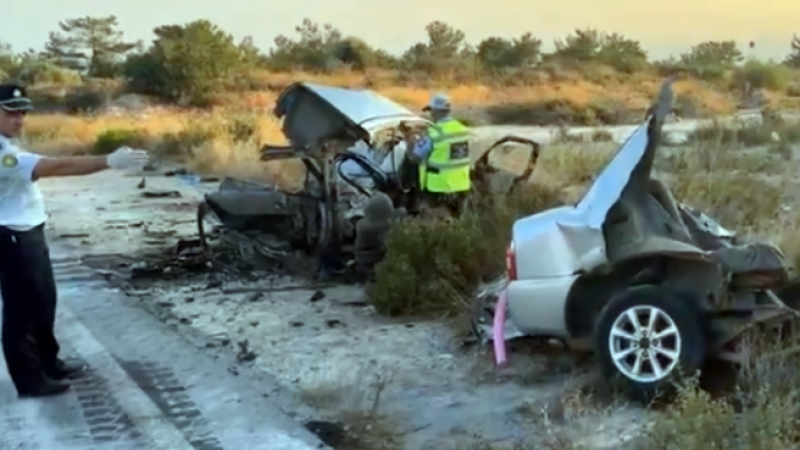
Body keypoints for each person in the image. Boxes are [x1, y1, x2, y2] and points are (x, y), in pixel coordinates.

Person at [0, 84, 149, 398]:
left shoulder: (8, 144)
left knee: (43, 300)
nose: (19, 119)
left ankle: (48, 362)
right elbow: (56, 166)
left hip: (27, 230)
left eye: (22, 112)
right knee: (22, 309)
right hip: (11, 235)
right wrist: (108, 161)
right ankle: (30, 380)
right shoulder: (3, 154)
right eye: (10, 112)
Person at [400, 93, 471, 215]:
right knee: (457, 223)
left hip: (438, 188)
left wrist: (410, 139)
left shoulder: (434, 134)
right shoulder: (462, 129)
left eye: (430, 111)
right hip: (461, 185)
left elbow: (415, 157)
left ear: (434, 111)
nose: (430, 114)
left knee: (433, 221)